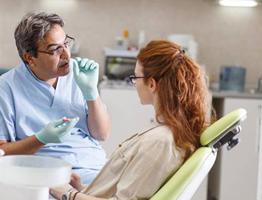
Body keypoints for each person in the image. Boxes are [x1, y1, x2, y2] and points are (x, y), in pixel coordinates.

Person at [50, 40, 216, 200]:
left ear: (152, 84)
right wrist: (81, 188)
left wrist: (69, 195)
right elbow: (123, 189)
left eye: (136, 78)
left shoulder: (159, 142)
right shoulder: (168, 132)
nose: (134, 84)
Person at [0, 12, 111, 184]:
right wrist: (41, 139)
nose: (66, 55)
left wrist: (91, 94)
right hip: (44, 174)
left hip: (93, 168)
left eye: (66, 44)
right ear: (30, 58)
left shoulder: (78, 74)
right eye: (55, 49)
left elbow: (102, 134)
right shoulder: (4, 89)